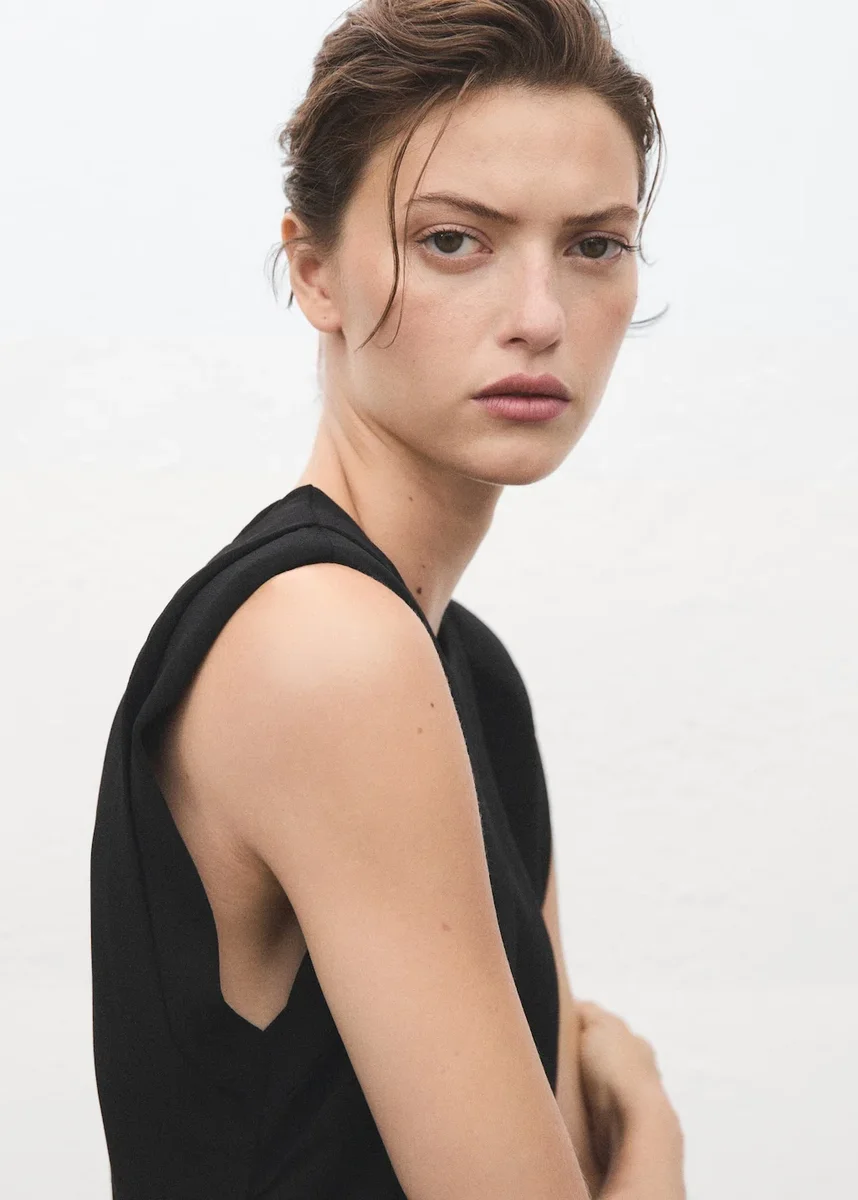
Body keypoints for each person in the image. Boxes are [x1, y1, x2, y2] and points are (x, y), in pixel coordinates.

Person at [90, 1, 684, 1197]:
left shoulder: (470, 675)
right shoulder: (328, 646)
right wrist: (657, 1130)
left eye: (594, 245)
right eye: (455, 241)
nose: (539, 318)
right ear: (315, 272)